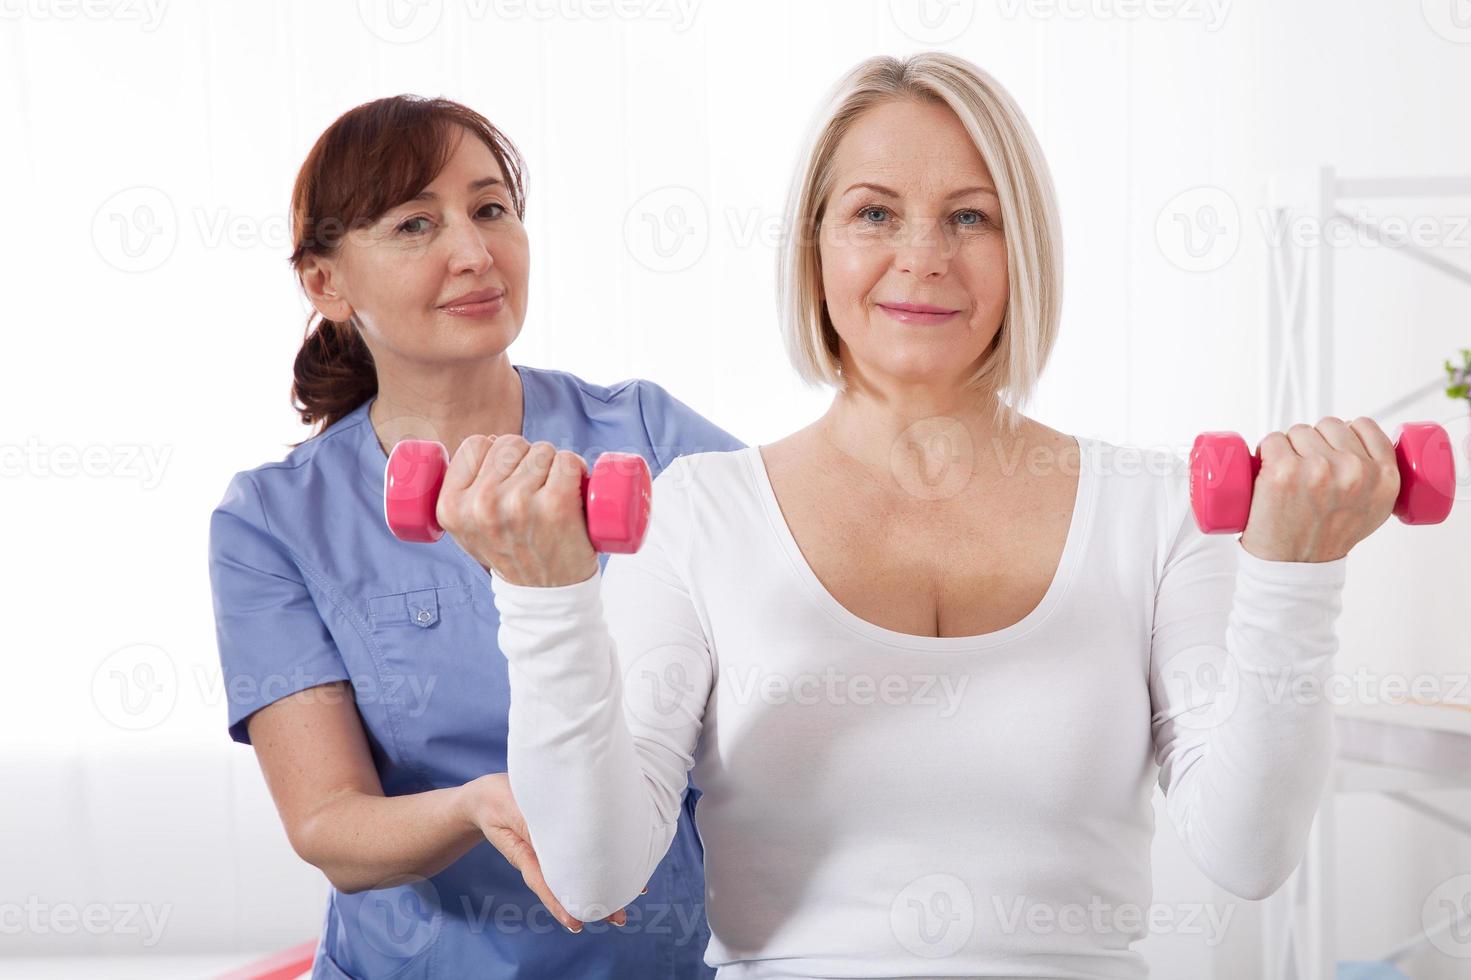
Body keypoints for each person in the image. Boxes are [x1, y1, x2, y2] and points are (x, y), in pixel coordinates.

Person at [463, 52, 1407, 978]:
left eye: (971, 217)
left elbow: (1250, 855)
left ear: (1023, 248)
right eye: (875, 212)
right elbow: (593, 875)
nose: (923, 257)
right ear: (815, 244)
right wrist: (544, 598)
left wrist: (1296, 573)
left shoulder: (1155, 514)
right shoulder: (694, 519)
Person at [206, 94, 738, 979]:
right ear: (325, 283)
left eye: (491, 209)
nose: (474, 251)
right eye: (416, 224)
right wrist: (477, 807)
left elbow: (803, 598)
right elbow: (329, 824)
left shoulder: (650, 437)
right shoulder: (271, 521)